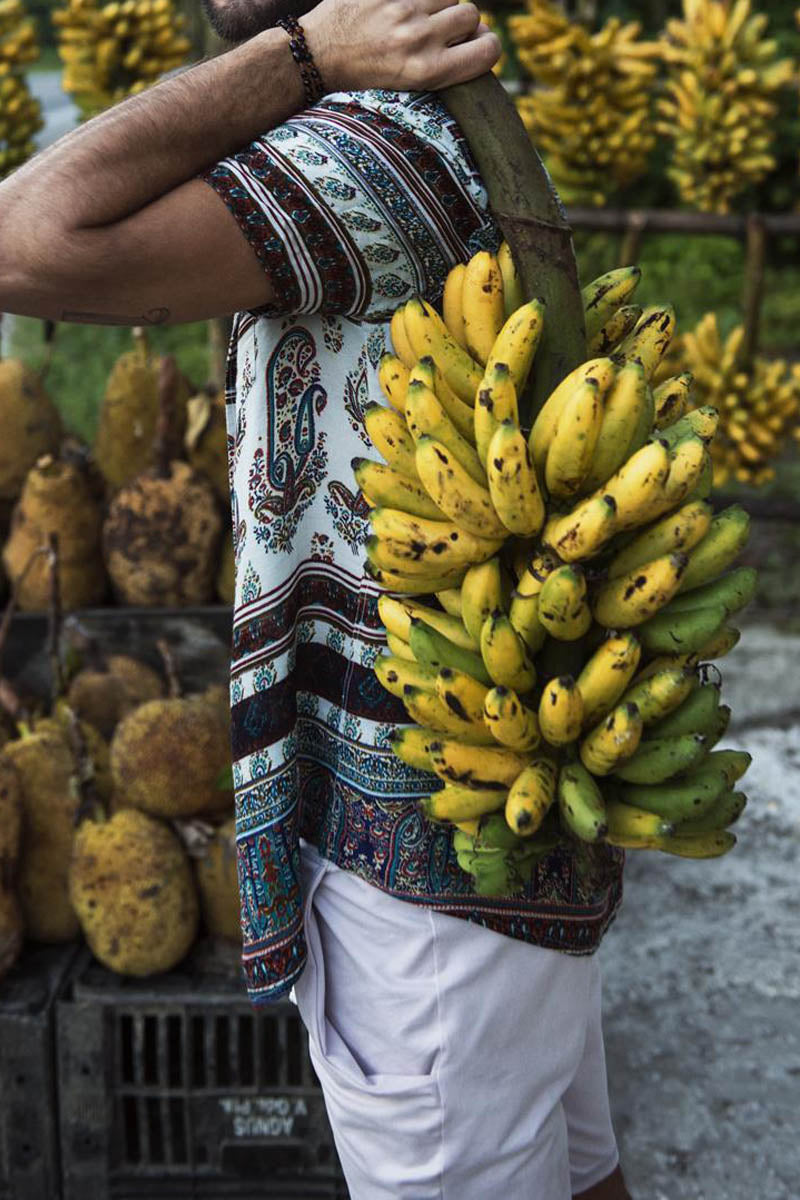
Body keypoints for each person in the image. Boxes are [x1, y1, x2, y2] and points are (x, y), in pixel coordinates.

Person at [0, 1, 632, 1195]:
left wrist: (293, 59)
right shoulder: (407, 132)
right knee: (575, 1166)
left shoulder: (366, 151)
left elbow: (20, 235)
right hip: (478, 831)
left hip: (424, 868)